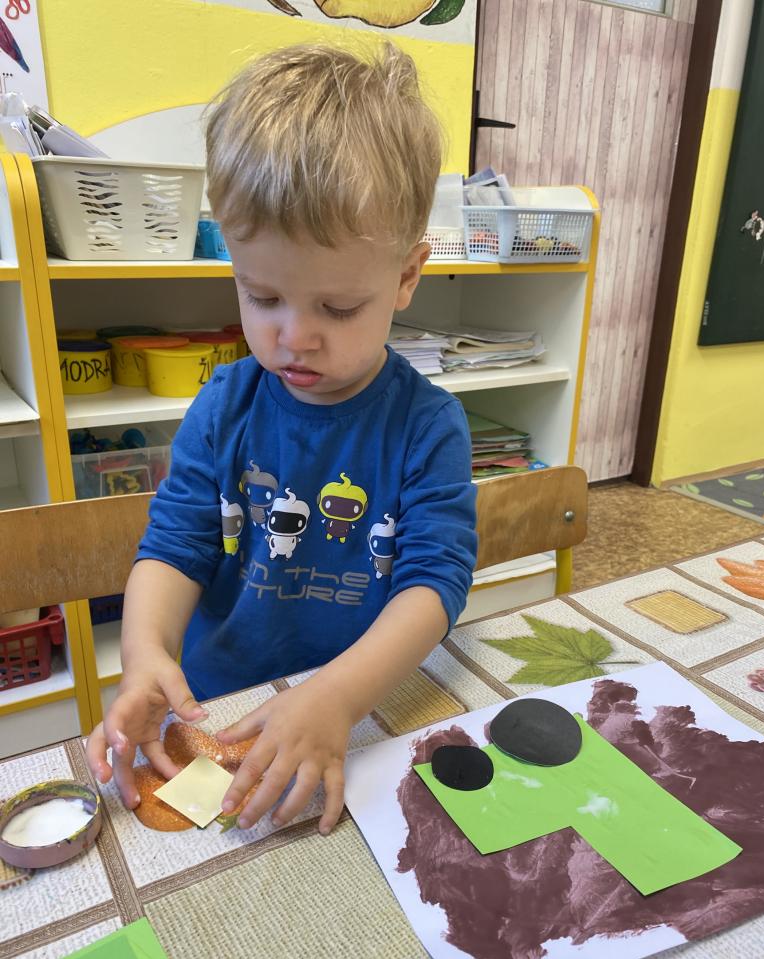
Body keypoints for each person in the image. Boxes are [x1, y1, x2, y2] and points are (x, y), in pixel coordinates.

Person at [86, 42, 477, 836]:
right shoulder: (222, 407)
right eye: (261, 296)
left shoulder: (427, 426)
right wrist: (145, 652)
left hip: (361, 707)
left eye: (337, 308)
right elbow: (174, 547)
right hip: (223, 709)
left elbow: (435, 584)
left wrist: (337, 695)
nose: (294, 336)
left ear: (407, 276)